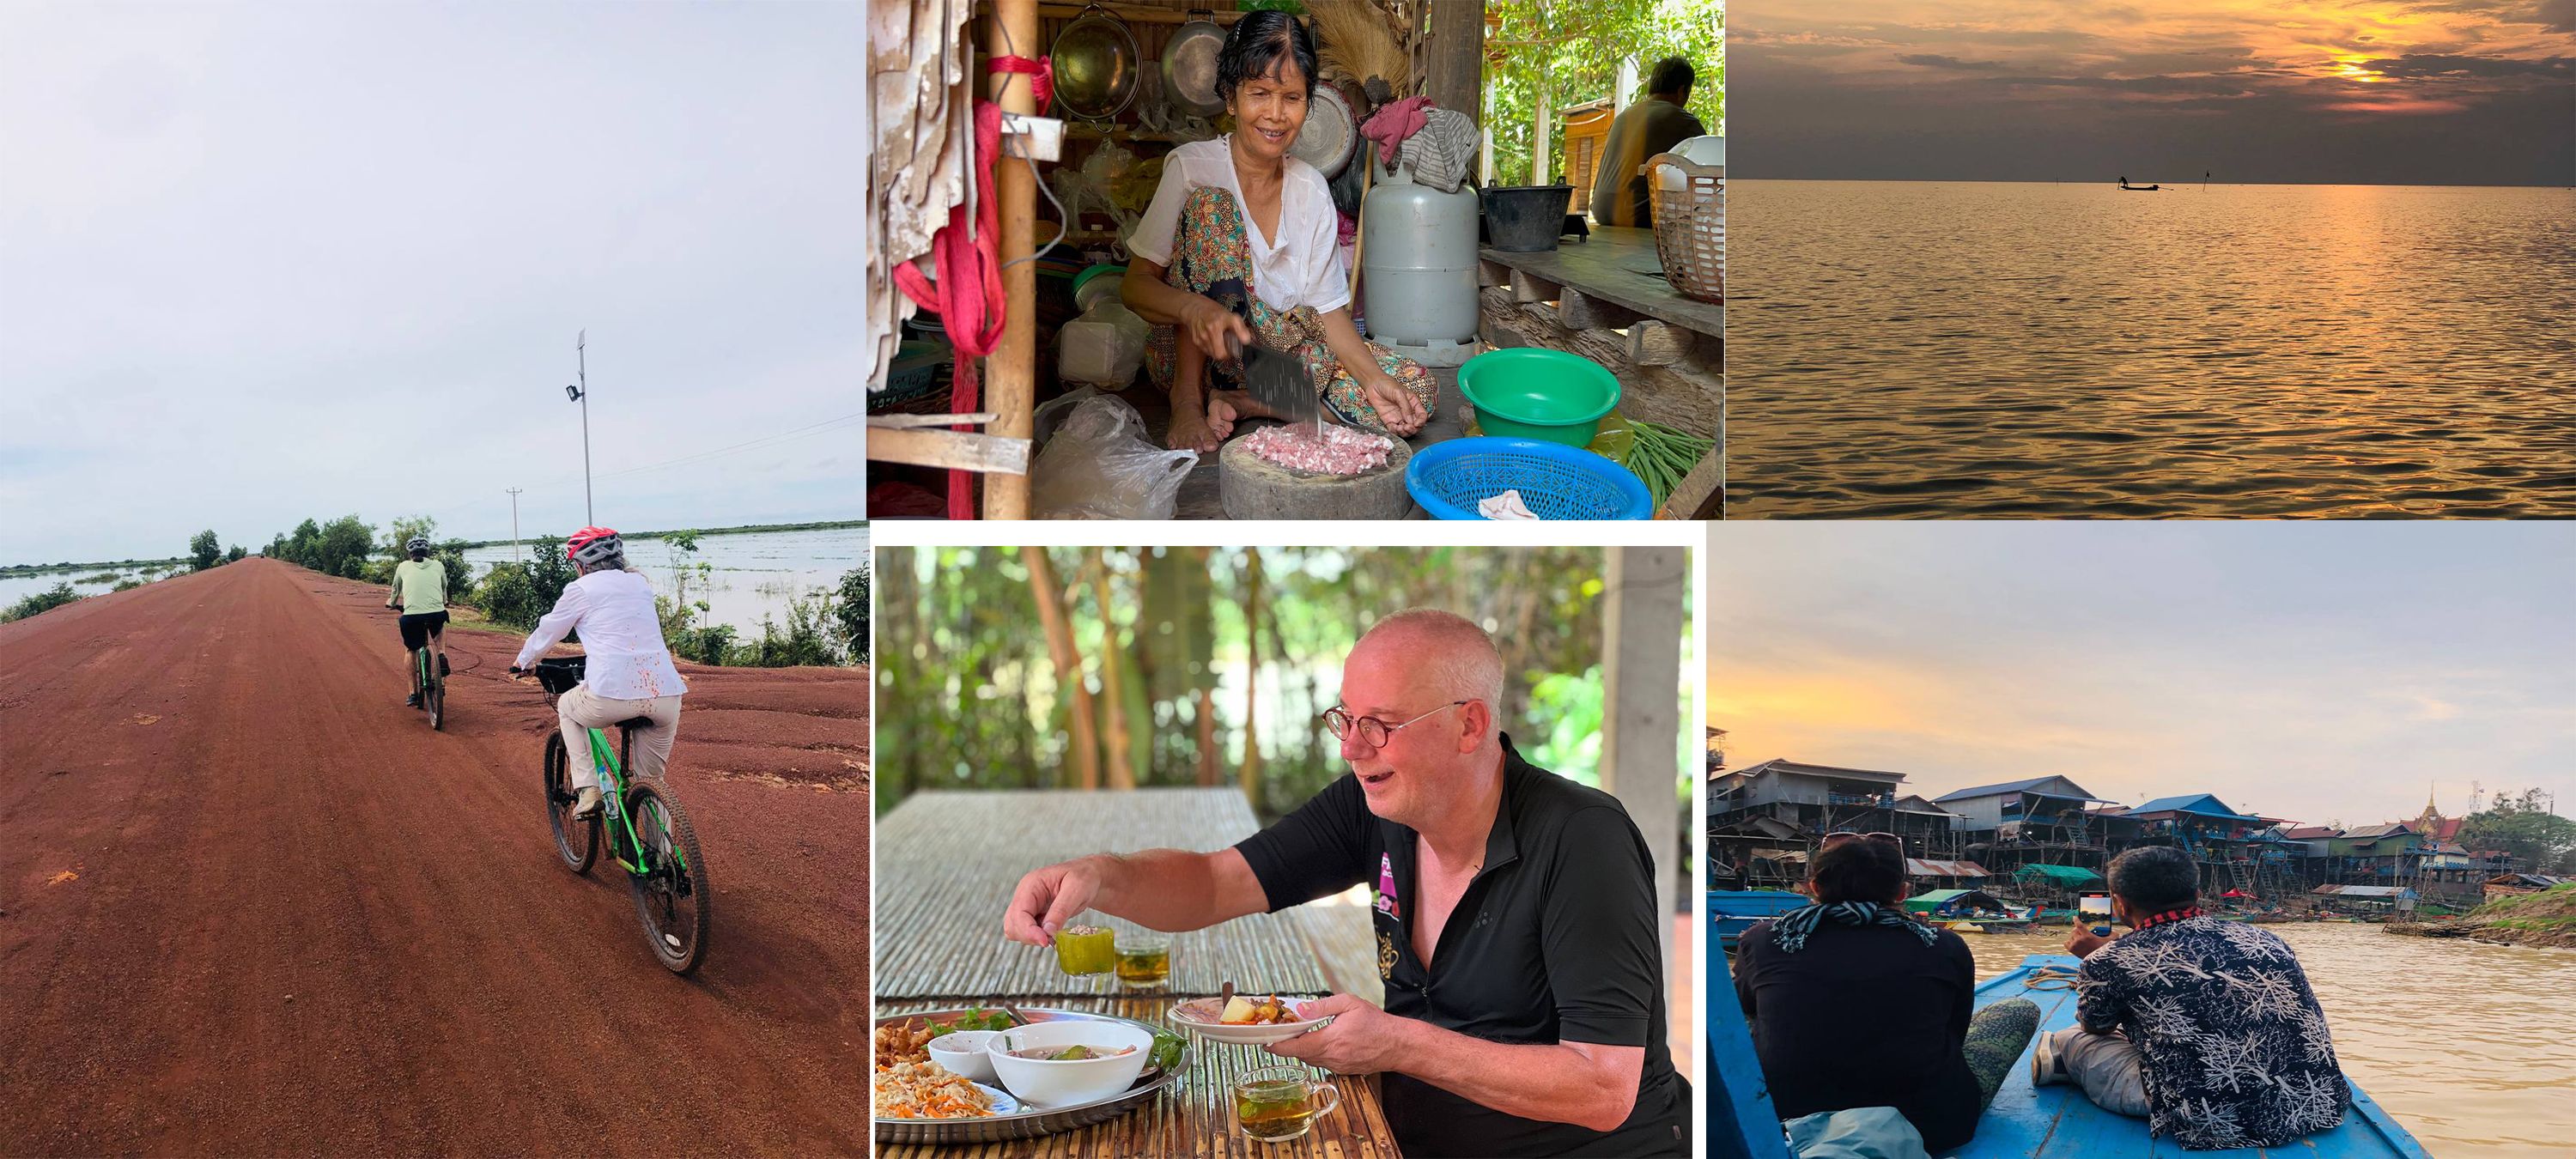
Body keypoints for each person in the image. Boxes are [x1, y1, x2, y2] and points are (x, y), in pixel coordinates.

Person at [1001, 610, 1688, 1157]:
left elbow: (1603, 1087)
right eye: (1346, 718)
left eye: (1380, 725)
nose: (1352, 748)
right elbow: (1213, 883)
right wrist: (1100, 877)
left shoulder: (1581, 838)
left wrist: (1393, 1042)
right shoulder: (1373, 804)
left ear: (1469, 725)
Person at [1121, 10, 1433, 454]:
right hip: (1199, 355)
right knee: (1211, 205)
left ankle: (1252, 402)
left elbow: (1328, 316)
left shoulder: (1310, 187)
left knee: (1414, 393)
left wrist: (1374, 379)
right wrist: (1194, 309)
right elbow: (1134, 288)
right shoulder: (1192, 168)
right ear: (1231, 98)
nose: (1275, 114)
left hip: (1274, 359)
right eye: (1260, 93)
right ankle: (1189, 399)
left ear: (1309, 103)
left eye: (1291, 97)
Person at [1733, 834, 2038, 1152]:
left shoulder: (1764, 940)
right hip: (1929, 1125)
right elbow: (1955, 1031)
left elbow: (1746, 1010)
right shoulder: (1943, 945)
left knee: (1738, 1013)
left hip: (1786, 1121)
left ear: (1814, 887)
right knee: (2019, 1011)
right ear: (1902, 891)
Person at [2035, 845, 2349, 1150]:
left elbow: (2096, 1026)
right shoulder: (2268, 939)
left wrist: (2101, 955)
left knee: (2072, 1038)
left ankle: (2061, 1062)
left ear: (2120, 905)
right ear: (2197, 894)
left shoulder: (2109, 960)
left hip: (2205, 1119)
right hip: (2318, 1103)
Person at [506, 527, 688, 817]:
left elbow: (549, 630)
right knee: (652, 783)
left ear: (580, 565)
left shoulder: (581, 589)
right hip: (666, 693)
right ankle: (661, 860)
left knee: (567, 705)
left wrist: (524, 661)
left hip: (611, 694)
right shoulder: (639, 583)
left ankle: (588, 788)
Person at [1589, 58, 1706, 229]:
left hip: (1602, 212)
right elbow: (1709, 169)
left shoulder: (1623, 117)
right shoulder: (1684, 121)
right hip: (1640, 218)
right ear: (1682, 91)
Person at [386, 535, 449, 707]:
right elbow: (444, 587)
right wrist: (444, 602)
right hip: (436, 612)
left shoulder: (403, 567)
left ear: (410, 554)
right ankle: (441, 654)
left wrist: (391, 604)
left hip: (412, 615)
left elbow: (395, 589)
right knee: (441, 623)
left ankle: (413, 693)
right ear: (427, 552)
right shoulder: (438, 565)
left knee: (411, 650)